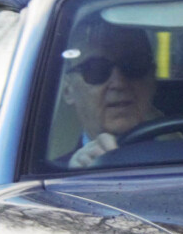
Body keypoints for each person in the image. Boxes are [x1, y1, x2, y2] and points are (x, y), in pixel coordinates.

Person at [60, 23, 162, 168]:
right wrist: (74, 178)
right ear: (67, 90)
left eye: (133, 65)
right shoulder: (54, 181)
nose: (119, 83)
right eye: (97, 70)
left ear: (153, 78)